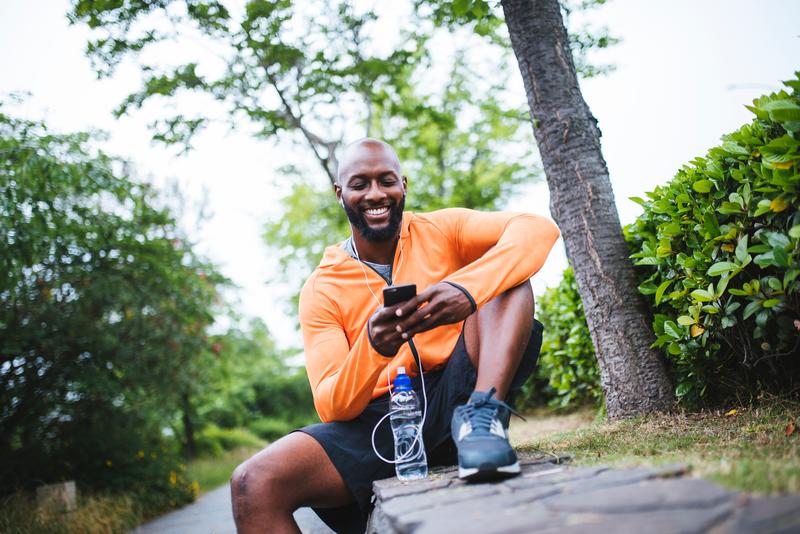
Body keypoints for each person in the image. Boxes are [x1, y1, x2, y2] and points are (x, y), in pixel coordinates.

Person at [231, 138, 560, 533]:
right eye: (359, 184)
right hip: (380, 422)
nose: (375, 194)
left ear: (403, 185)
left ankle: (482, 422)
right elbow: (331, 405)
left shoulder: (444, 229)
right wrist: (372, 349)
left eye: (386, 181)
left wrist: (467, 290)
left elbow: (536, 229)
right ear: (340, 193)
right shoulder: (321, 288)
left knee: (509, 274)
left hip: (462, 392)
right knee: (253, 483)